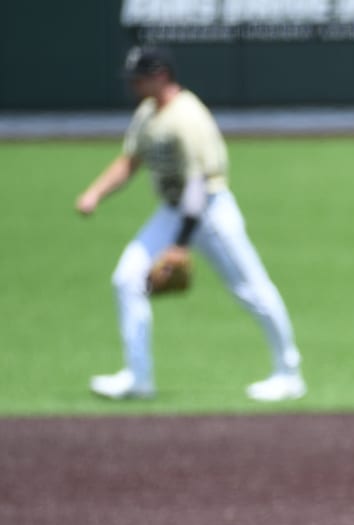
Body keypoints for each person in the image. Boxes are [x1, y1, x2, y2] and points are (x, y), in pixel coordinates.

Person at [76, 45, 305, 402]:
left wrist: (180, 243)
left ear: (161, 75)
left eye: (139, 77)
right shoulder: (148, 114)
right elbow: (130, 161)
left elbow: (199, 183)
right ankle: (139, 378)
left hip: (210, 212)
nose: (133, 84)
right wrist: (95, 193)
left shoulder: (189, 117)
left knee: (253, 292)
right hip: (171, 210)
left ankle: (289, 374)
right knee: (126, 279)